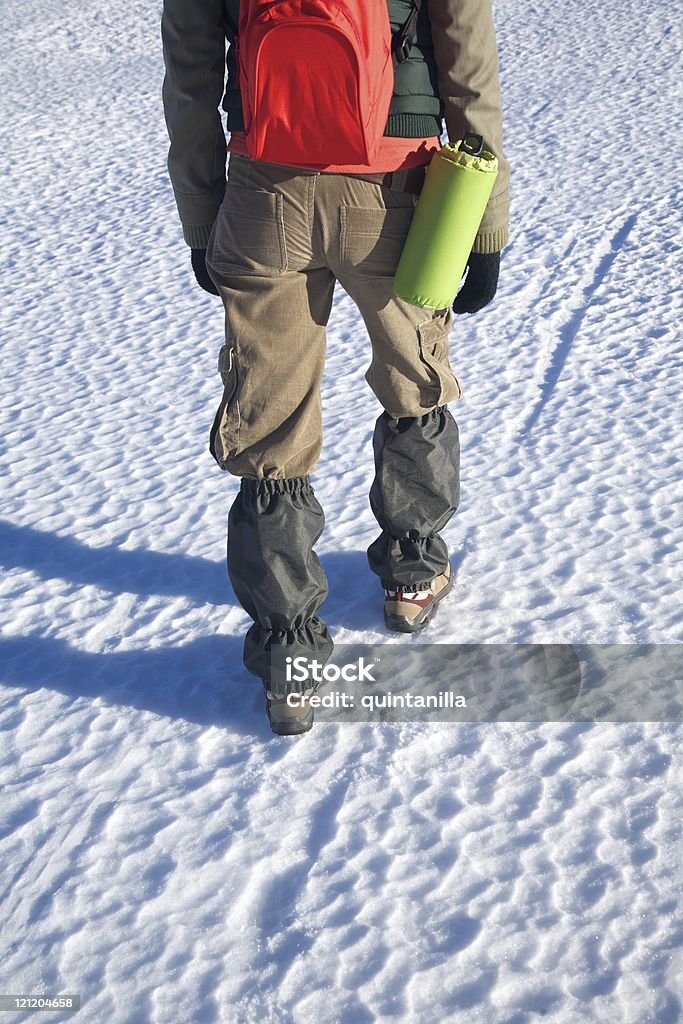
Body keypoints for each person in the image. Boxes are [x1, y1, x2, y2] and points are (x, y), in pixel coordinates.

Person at [161, 0, 510, 735]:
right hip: (396, 191)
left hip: (264, 196)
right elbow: (467, 66)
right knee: (413, 376)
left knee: (268, 418)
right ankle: (412, 573)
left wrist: (202, 217)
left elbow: (191, 79)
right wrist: (483, 225)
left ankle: (289, 652)